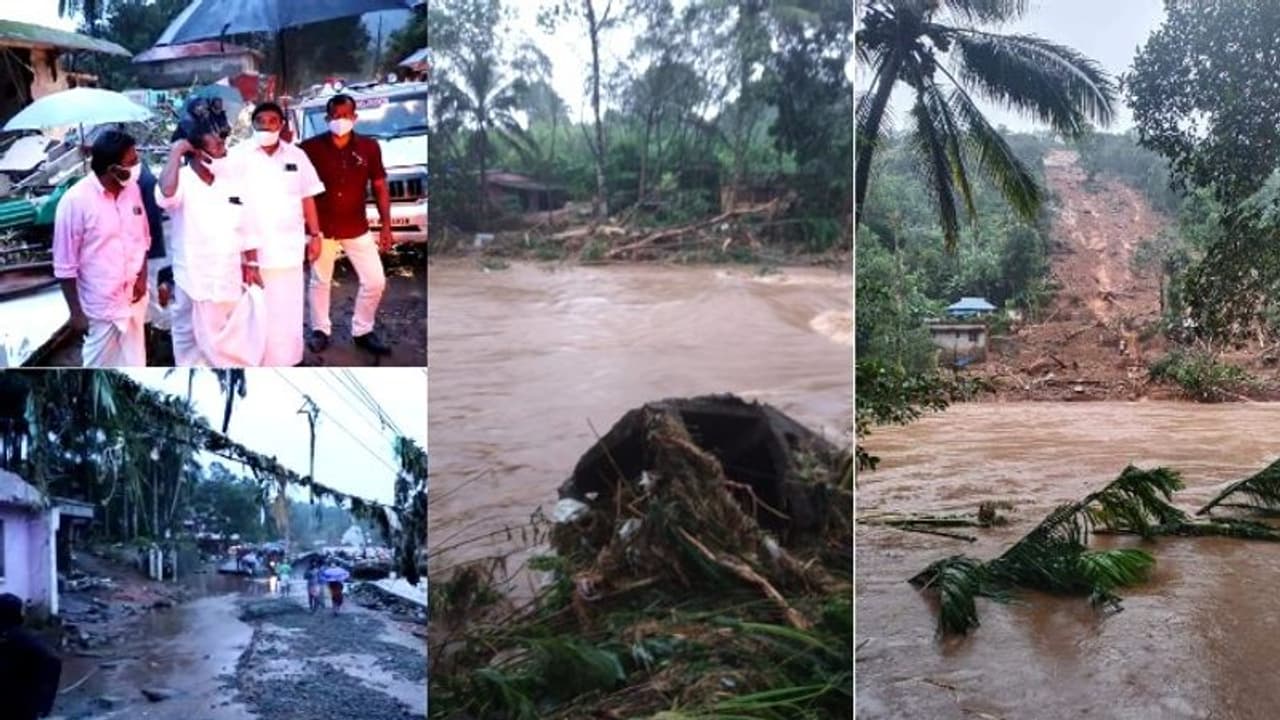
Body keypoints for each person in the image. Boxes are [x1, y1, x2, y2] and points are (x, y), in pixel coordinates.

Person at [157, 129, 267, 366]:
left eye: (224, 145)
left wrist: (252, 262)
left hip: (227, 277)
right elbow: (166, 194)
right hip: (192, 280)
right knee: (188, 342)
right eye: (217, 147)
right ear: (197, 152)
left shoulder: (231, 180)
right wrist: (176, 151)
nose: (224, 151)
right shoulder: (180, 179)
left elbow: (247, 225)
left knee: (226, 345)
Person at [230, 101, 325, 366]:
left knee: (289, 310)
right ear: (253, 123)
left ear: (281, 125)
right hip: (253, 251)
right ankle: (258, 362)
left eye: (273, 121)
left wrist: (315, 235)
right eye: (261, 120)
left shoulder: (297, 156)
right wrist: (243, 252)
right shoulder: (238, 156)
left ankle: (290, 360)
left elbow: (308, 198)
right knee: (256, 312)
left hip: (289, 250)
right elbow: (230, 202)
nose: (267, 126)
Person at [300, 93, 393, 356]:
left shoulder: (369, 148)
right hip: (322, 227)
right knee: (320, 280)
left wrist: (386, 226)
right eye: (335, 116)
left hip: (356, 225)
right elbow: (299, 188)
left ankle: (363, 330)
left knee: (375, 280)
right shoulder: (309, 149)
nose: (340, 120)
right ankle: (320, 330)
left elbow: (379, 186)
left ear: (355, 117)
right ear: (327, 118)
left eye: (346, 115)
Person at [53, 130, 150, 367]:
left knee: (134, 365)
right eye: (132, 161)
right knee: (98, 370)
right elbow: (65, 266)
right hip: (100, 307)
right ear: (112, 169)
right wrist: (76, 314)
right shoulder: (75, 201)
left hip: (133, 300)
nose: (138, 165)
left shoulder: (132, 190)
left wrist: (142, 278)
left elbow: (143, 238)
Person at [0, 593, 62, 720]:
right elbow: (53, 661)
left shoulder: (22, 639)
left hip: (19, 706)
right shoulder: (25, 639)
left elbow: (52, 660)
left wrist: (44, 700)